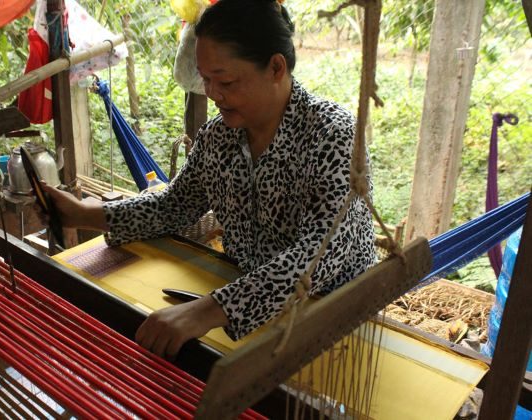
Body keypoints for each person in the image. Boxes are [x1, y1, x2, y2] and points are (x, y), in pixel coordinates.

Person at [41, 0, 377, 358]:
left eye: (226, 81)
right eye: (206, 79)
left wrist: (208, 310)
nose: (213, 93)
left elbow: (322, 252)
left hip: (336, 320)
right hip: (244, 305)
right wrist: (84, 214)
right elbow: (174, 205)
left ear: (276, 67)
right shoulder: (219, 137)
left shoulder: (334, 135)